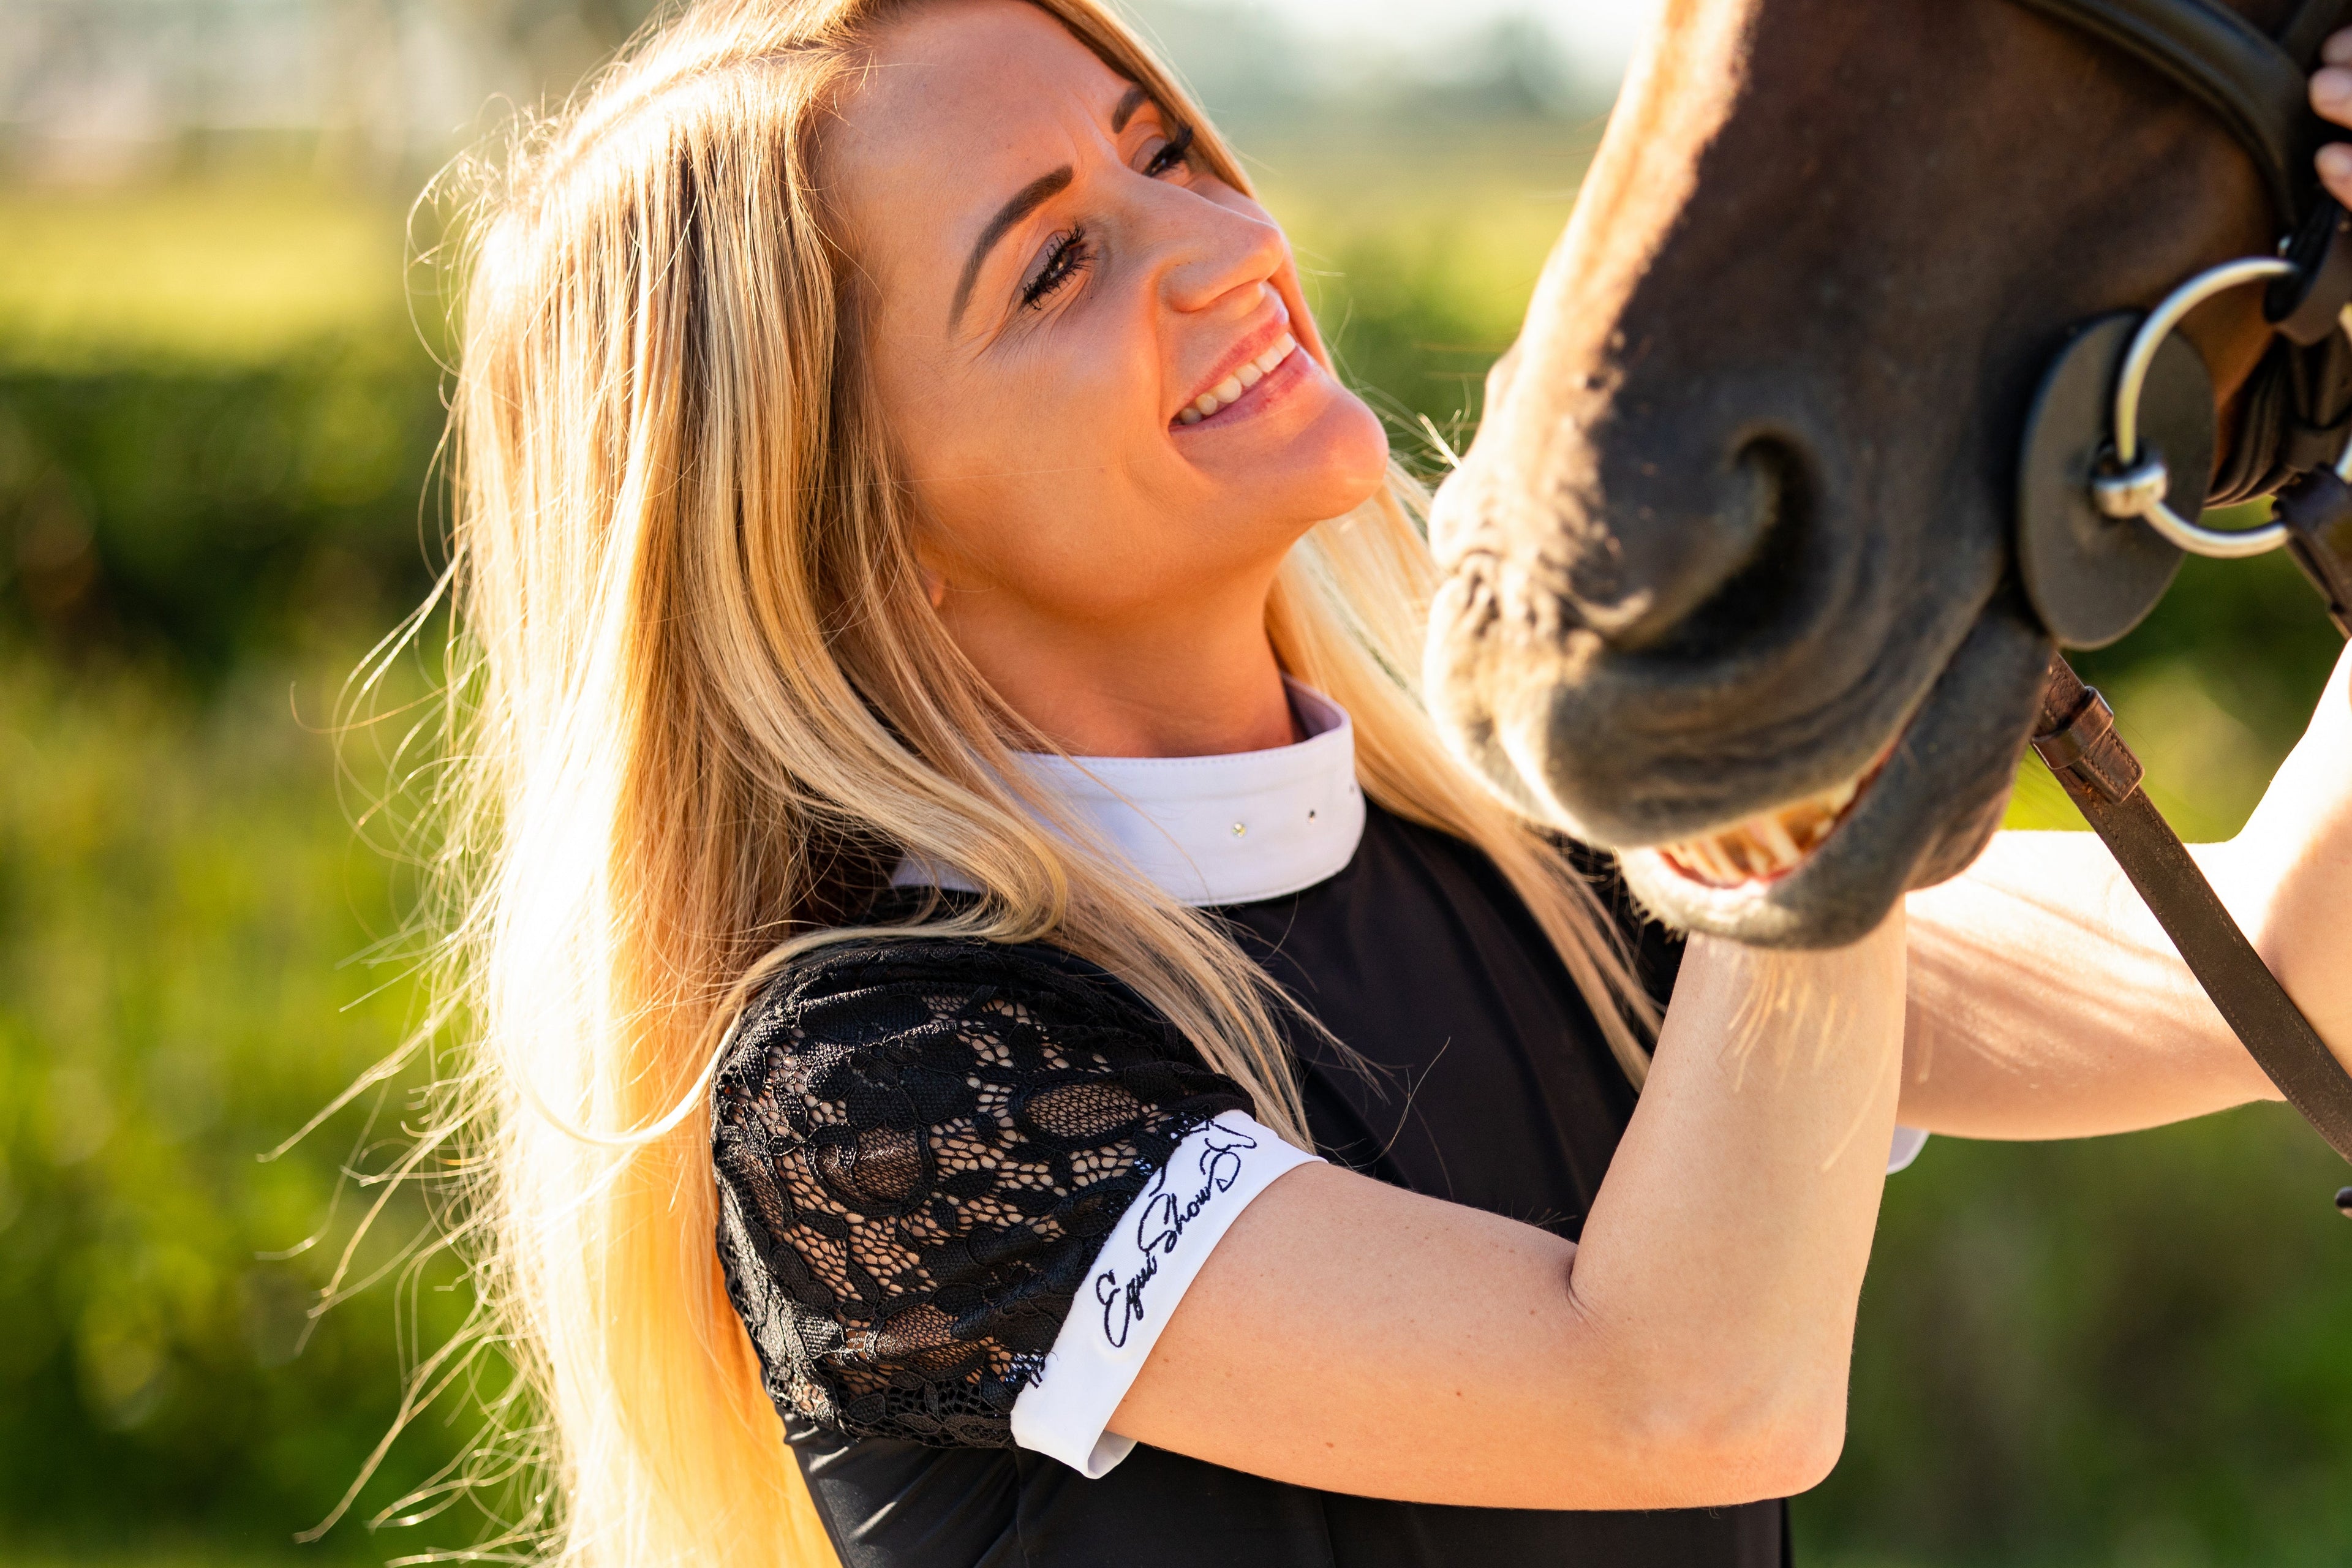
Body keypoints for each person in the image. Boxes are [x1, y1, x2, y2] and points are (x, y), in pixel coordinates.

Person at [423, 2, 2352, 1565]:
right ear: (843, 535)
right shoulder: (881, 1091)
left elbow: (2278, 958)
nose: (1228, 247)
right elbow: (1680, 1394)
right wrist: (1815, 645)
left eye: (1163, 147)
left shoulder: (1564, 876)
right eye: (1059, 266)